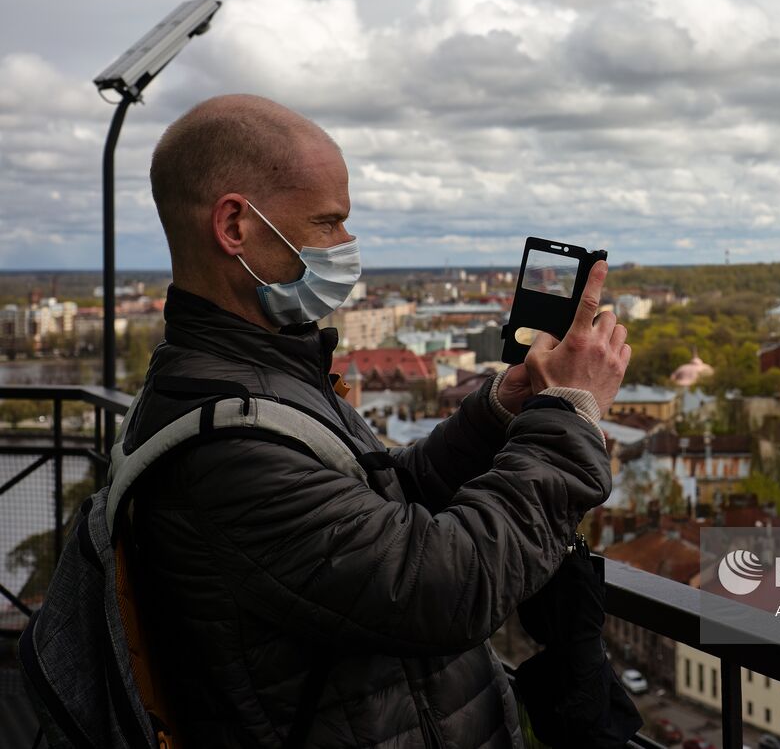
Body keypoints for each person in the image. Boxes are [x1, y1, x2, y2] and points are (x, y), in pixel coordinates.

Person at [120, 94, 628, 747]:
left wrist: (502, 410)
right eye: (329, 222)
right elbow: (443, 586)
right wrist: (570, 417)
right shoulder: (223, 443)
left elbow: (383, 510)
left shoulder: (265, 377)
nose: (348, 246)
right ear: (235, 227)